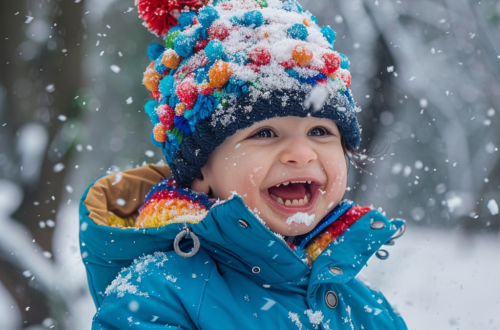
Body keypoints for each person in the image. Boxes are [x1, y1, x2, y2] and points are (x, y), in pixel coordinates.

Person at [79, 0, 407, 328]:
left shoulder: (369, 310)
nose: (302, 154)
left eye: (319, 131)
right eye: (265, 133)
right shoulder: (158, 295)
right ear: (200, 172)